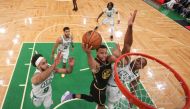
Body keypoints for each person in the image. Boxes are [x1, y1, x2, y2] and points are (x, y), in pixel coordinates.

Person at [106, 10, 147, 109]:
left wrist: (131, 100)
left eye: (140, 63)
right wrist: (130, 27)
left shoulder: (136, 76)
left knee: (110, 104)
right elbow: (128, 44)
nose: (137, 62)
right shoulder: (127, 60)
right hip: (105, 76)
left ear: (141, 68)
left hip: (114, 88)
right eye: (138, 59)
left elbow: (133, 89)